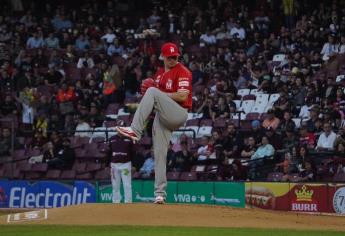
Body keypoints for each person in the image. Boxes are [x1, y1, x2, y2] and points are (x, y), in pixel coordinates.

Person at [116, 42, 192, 204]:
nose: (172, 59)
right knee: (159, 154)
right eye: (169, 57)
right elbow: (156, 99)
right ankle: (160, 194)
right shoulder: (159, 74)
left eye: (175, 57)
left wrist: (159, 93)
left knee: (152, 91)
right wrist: (155, 96)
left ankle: (135, 130)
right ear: (163, 57)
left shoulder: (183, 71)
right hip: (162, 115)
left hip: (178, 113)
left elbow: (183, 96)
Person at [109, 127, 136, 203]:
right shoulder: (111, 139)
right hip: (114, 165)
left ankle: (128, 202)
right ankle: (116, 201)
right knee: (115, 185)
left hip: (126, 165)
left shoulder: (130, 139)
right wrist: (107, 165)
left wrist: (133, 165)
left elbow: (133, 153)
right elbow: (108, 152)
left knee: (127, 184)